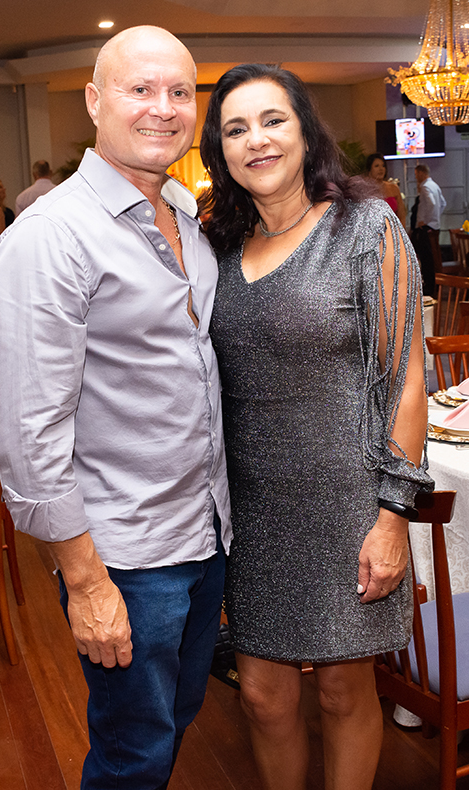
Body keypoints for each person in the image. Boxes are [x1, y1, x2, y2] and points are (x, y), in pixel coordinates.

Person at [0, 25, 231, 790]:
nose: (164, 107)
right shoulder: (50, 237)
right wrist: (87, 584)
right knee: (133, 755)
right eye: (140, 89)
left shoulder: (185, 213)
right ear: (95, 101)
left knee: (173, 722)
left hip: (204, 532)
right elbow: (30, 435)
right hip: (126, 558)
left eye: (180, 91)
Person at [199, 64, 433, 790]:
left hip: (349, 506)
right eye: (236, 129)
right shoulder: (218, 248)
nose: (257, 140)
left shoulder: (365, 228)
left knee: (341, 692)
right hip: (252, 511)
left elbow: (407, 381)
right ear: (221, 152)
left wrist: (393, 517)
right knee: (263, 697)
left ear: (305, 131)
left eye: (273, 120)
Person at [412, 163, 447, 296]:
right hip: (435, 226)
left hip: (426, 227)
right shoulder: (435, 185)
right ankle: (434, 286)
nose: (416, 178)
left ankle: (428, 286)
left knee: (426, 258)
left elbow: (432, 203)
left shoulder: (425, 187)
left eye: (416, 175)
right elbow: (443, 203)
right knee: (432, 257)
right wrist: (436, 217)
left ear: (421, 173)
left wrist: (425, 221)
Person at [365, 152, 407, 227]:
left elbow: (402, 215)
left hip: (393, 230)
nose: (381, 169)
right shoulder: (364, 190)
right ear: (369, 170)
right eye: (376, 166)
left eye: (383, 166)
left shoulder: (393, 188)